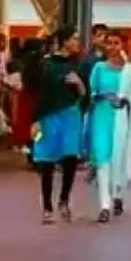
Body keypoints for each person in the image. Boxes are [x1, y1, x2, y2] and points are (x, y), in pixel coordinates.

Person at [32, 26, 87, 224]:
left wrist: (79, 84)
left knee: (70, 158)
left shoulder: (78, 64)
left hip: (71, 114)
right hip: (48, 116)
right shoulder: (46, 64)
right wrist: (35, 120)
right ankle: (47, 206)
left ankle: (64, 199)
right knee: (47, 161)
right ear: (63, 41)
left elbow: (84, 95)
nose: (77, 43)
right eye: (73, 39)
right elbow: (38, 94)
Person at [86, 30, 131, 223]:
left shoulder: (130, 71)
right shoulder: (99, 68)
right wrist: (101, 96)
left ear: (124, 46)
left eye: (116, 43)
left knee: (119, 156)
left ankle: (118, 193)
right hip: (101, 116)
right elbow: (91, 92)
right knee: (102, 158)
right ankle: (104, 205)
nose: (112, 47)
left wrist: (123, 101)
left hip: (121, 119)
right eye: (109, 43)